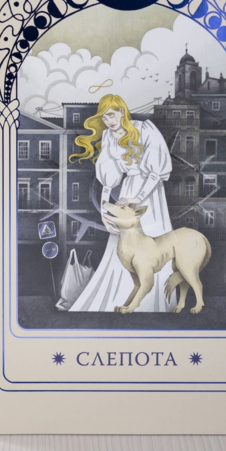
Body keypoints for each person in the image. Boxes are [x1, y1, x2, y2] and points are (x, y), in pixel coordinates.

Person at [69, 94, 174, 312]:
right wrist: (104, 211)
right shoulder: (108, 136)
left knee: (152, 240)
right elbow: (108, 180)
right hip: (128, 190)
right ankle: (122, 293)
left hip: (150, 191)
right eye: (104, 118)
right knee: (124, 243)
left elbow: (157, 172)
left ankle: (157, 299)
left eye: (111, 115)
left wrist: (138, 198)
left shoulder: (145, 129)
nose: (108, 121)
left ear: (122, 112)